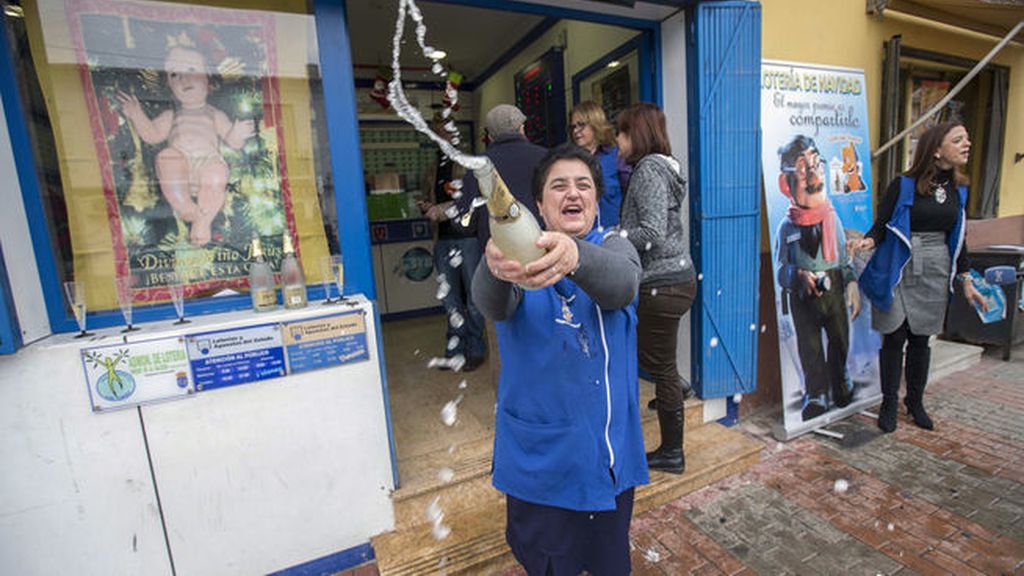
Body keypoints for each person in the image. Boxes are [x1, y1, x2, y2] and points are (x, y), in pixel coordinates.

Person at [472, 144, 647, 575]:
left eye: (583, 185)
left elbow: (623, 285)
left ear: (595, 199)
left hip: (607, 463)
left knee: (609, 565)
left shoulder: (613, 249)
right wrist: (493, 267)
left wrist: (574, 256)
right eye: (559, 185)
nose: (573, 193)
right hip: (541, 467)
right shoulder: (513, 257)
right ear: (538, 205)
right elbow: (491, 305)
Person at [851, 121, 987, 433]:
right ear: (937, 150)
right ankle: (888, 403)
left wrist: (965, 279)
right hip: (901, 262)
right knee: (894, 336)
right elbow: (881, 226)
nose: (967, 144)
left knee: (921, 338)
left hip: (936, 266)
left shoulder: (959, 191)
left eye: (967, 138)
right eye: (958, 140)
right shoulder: (904, 185)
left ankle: (914, 402)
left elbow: (960, 239)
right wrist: (866, 242)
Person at [615, 102, 696, 475]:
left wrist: (613, 237)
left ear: (638, 133)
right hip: (677, 278)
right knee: (658, 359)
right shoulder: (666, 166)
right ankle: (675, 391)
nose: (617, 140)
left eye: (622, 131)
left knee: (658, 365)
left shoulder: (648, 169)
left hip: (660, 282)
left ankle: (672, 452)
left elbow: (650, 233)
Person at [118, 42, 255, 246]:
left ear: (209, 80)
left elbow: (232, 141)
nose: (184, 78)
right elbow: (152, 135)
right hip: (179, 165)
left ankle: (203, 223)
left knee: (217, 173)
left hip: (207, 164)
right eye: (174, 74)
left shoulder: (213, 114)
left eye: (192, 69)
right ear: (169, 87)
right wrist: (137, 115)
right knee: (166, 157)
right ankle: (185, 207)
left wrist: (238, 132)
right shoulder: (171, 116)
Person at [774, 135, 861, 422]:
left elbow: (844, 260)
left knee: (839, 338)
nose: (813, 174)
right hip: (803, 296)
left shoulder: (832, 219)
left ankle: (841, 380)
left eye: (815, 163)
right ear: (787, 182)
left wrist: (850, 282)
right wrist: (797, 275)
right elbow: (780, 268)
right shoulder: (787, 228)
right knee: (809, 346)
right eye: (803, 168)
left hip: (833, 288)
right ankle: (817, 392)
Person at [418, 146, 486, 371]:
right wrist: (426, 206)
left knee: (474, 299)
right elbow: (428, 198)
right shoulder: (432, 168)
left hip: (467, 239)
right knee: (450, 299)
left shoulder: (467, 163)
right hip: (442, 240)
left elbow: (472, 200)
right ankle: (455, 348)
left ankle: (475, 349)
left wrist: (441, 210)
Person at [454, 104, 546, 248]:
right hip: (542, 248)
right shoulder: (547, 158)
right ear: (522, 128)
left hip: (497, 256)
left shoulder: (478, 166)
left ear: (490, 136)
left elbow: (465, 224)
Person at [569, 101, 631, 229]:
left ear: (595, 124)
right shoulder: (570, 161)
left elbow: (633, 195)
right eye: (573, 126)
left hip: (613, 235)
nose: (576, 131)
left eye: (581, 125)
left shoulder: (616, 156)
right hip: (583, 237)